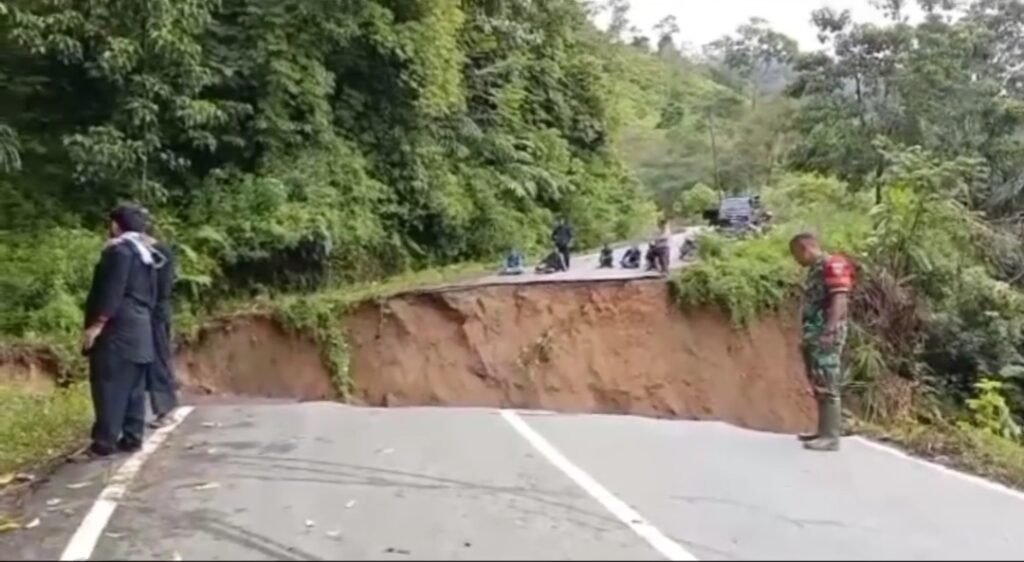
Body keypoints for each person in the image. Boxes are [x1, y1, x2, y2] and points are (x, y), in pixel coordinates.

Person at [76, 204, 160, 459]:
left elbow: (113, 290)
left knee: (109, 384)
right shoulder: (148, 254)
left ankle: (103, 443)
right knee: (134, 386)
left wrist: (97, 325)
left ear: (115, 225)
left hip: (118, 329)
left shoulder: (120, 252)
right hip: (141, 327)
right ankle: (132, 438)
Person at [789, 233, 854, 452]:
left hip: (826, 333)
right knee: (819, 382)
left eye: (796, 254)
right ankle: (823, 431)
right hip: (815, 333)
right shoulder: (815, 269)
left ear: (804, 248)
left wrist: (830, 330)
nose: (796, 260)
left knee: (828, 382)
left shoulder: (832, 264)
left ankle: (831, 437)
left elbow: (840, 298)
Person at [143, 220, 177, 428]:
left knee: (157, 360)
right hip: (153, 311)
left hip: (155, 311)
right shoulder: (159, 251)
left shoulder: (157, 253)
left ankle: (165, 410)